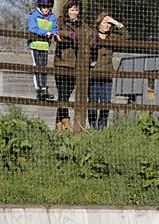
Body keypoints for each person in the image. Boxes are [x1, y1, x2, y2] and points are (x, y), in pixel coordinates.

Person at [88, 12, 129, 130]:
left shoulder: (112, 37)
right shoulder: (92, 35)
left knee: (105, 103)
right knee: (93, 102)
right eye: (105, 22)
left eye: (109, 23)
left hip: (107, 75)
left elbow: (126, 36)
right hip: (93, 74)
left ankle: (102, 128)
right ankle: (93, 128)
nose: (107, 25)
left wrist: (116, 23)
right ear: (98, 23)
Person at [53, 0, 88, 132]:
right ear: (67, 10)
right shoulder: (60, 20)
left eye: (76, 10)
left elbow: (89, 34)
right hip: (61, 62)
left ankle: (58, 123)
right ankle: (66, 120)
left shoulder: (81, 24)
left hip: (75, 64)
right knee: (62, 92)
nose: (74, 12)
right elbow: (58, 32)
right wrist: (73, 35)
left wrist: (93, 38)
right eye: (72, 9)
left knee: (66, 95)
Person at [27, 0, 59, 101]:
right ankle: (38, 89)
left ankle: (44, 88)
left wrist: (54, 33)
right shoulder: (34, 16)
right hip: (35, 45)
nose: (46, 10)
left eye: (48, 7)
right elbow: (33, 28)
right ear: (40, 7)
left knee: (44, 67)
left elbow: (54, 27)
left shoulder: (52, 17)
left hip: (45, 46)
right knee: (37, 66)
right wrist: (46, 33)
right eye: (44, 7)